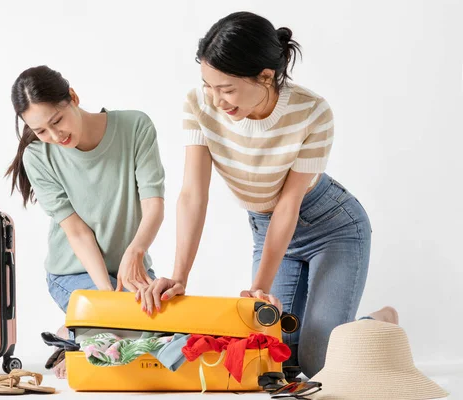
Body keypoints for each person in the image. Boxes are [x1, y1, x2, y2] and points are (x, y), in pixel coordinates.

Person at [140, 12, 397, 379]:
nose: (215, 100)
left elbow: (289, 203)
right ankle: (333, 332)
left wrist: (258, 287)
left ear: (265, 76)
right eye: (209, 86)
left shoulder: (312, 111)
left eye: (226, 89)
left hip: (332, 227)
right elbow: (193, 194)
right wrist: (179, 276)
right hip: (268, 229)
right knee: (277, 360)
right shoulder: (198, 105)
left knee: (318, 363)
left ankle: (381, 321)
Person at [6, 65, 165, 377]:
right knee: (129, 327)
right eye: (41, 131)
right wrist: (106, 297)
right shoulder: (37, 156)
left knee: (163, 331)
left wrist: (135, 253)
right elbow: (76, 232)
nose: (55, 136)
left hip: (132, 269)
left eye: (57, 121)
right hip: (74, 271)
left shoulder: (135, 126)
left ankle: (75, 332)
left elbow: (154, 206)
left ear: (73, 98)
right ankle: (81, 341)